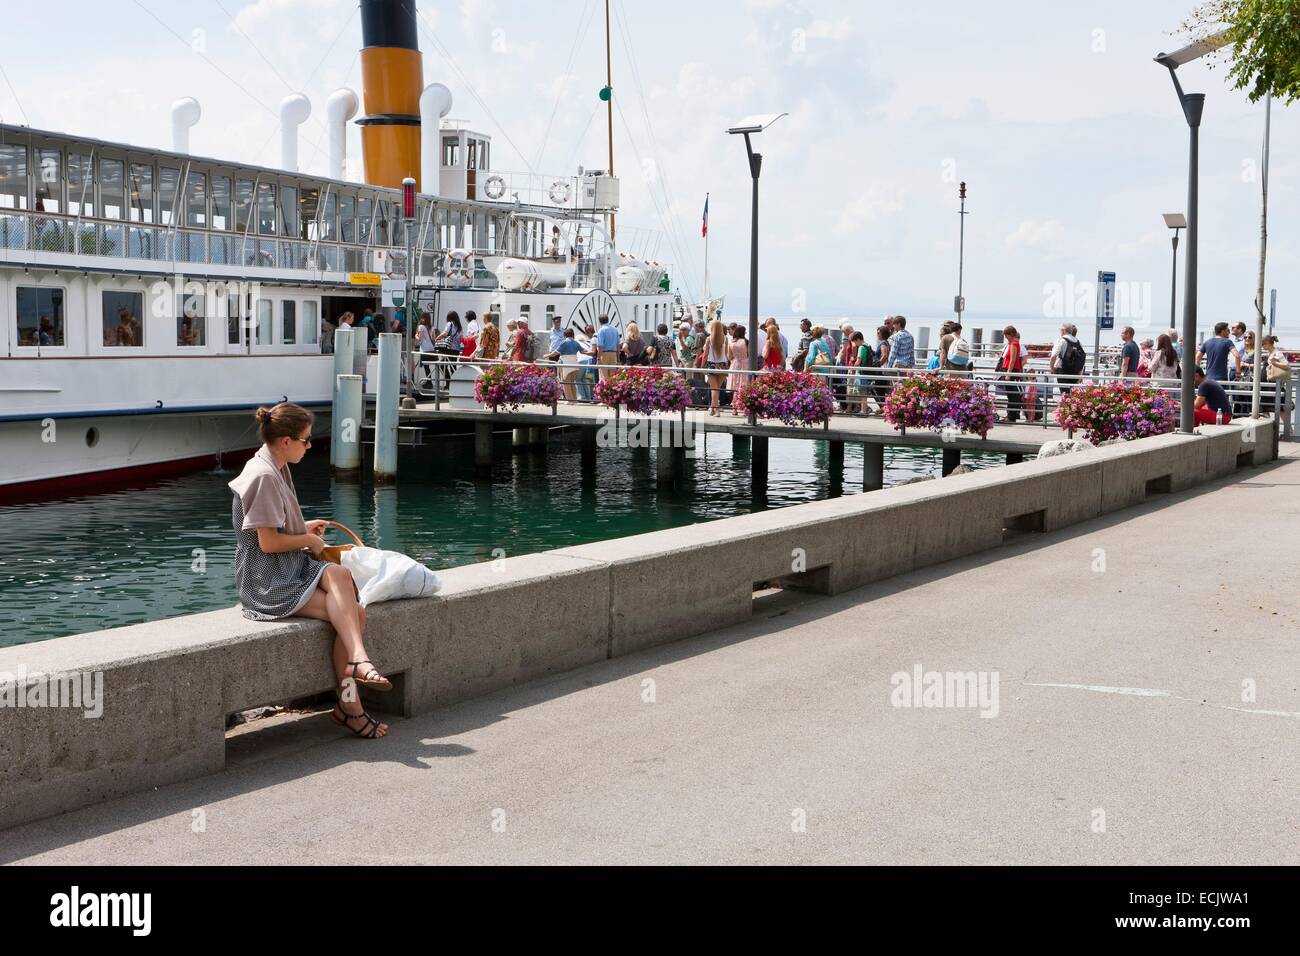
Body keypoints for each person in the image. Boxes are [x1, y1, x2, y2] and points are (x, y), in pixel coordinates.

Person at [228, 403, 389, 740]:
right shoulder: (264, 476)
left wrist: (303, 527)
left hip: (287, 569)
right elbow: (268, 543)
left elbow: (275, 527)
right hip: (267, 581)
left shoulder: (275, 464)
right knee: (355, 616)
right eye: (305, 440)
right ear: (286, 441)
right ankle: (350, 706)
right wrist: (309, 541)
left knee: (340, 579)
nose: (310, 445)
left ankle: (357, 663)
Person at [999, 324, 1028, 422]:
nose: (1005, 337)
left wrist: (1008, 373)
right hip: (1010, 370)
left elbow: (1012, 360)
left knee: (1012, 394)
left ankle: (1011, 415)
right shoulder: (1013, 343)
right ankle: (1012, 414)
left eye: (1006, 335)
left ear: (1011, 334)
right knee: (1011, 393)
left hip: (1010, 370)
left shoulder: (1014, 344)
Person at [703, 320, 730, 416]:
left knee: (714, 388)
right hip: (723, 365)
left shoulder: (709, 339)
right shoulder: (726, 338)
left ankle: (715, 409)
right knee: (717, 388)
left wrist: (702, 365)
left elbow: (705, 354)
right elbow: (727, 354)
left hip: (712, 364)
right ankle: (713, 409)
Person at [1050, 322, 1085, 395]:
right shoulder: (1078, 342)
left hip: (1063, 371)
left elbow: (1053, 356)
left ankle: (1064, 406)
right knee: (1072, 394)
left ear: (1063, 330)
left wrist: (1052, 368)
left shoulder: (1061, 340)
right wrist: (1079, 373)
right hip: (1075, 371)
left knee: (1064, 393)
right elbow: (1081, 357)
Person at [555, 328, 583, 400]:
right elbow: (583, 351)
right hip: (575, 364)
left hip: (566, 364)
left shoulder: (564, 342)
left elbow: (556, 352)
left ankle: (570, 400)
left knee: (566, 383)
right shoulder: (576, 342)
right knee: (572, 383)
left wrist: (547, 355)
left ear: (565, 335)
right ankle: (574, 399)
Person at [846, 330, 871, 414]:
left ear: (857, 339)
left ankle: (863, 410)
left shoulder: (861, 347)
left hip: (862, 372)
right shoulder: (867, 345)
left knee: (862, 391)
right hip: (867, 371)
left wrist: (852, 369)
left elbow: (858, 361)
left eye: (854, 342)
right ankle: (864, 409)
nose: (855, 344)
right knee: (863, 391)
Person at [727, 325, 749, 415]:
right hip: (745, 363)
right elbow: (749, 353)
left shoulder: (731, 342)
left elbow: (729, 356)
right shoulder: (746, 342)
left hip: (735, 363)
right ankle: (745, 408)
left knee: (735, 386)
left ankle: (734, 408)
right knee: (745, 386)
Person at [594, 313, 620, 381]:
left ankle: (603, 391)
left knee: (603, 377)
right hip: (614, 354)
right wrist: (618, 358)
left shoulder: (601, 330)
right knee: (613, 378)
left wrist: (598, 358)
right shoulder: (615, 329)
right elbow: (618, 345)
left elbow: (600, 346)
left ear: (599, 321)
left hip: (604, 354)